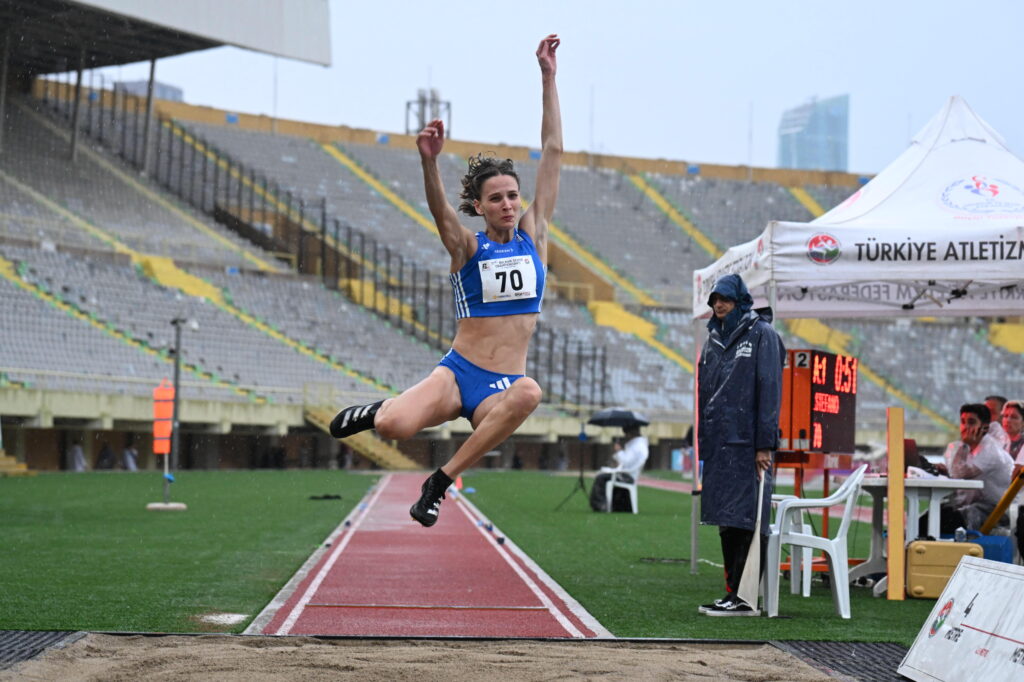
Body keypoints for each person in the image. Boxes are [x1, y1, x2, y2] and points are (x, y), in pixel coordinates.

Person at [328, 34, 563, 528]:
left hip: (502, 386)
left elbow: (553, 150)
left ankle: (438, 482)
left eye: (512, 195)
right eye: (496, 198)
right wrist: (429, 161)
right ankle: (377, 411)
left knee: (529, 392)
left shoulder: (534, 237)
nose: (508, 204)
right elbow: (440, 215)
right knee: (395, 426)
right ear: (479, 206)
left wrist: (548, 77)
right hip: (459, 373)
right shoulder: (468, 248)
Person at [696, 273, 785, 617]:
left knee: (748, 518)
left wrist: (765, 445)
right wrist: (704, 444)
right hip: (720, 447)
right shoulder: (712, 340)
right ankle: (732, 592)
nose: (719, 305)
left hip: (748, 447)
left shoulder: (762, 334)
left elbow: (770, 391)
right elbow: (705, 395)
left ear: (740, 300)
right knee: (726, 519)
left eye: (726, 299)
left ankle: (746, 596)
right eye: (715, 300)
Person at [924, 403, 1013, 534]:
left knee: (930, 523)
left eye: (971, 422)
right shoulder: (971, 449)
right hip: (972, 507)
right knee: (926, 519)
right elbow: (957, 476)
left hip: (993, 512)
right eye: (963, 422)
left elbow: (959, 474)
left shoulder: (991, 450)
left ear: (985, 427)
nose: (965, 427)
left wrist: (963, 446)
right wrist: (945, 472)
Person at [589, 423, 649, 512]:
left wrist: (619, 451)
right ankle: (611, 505)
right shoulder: (639, 444)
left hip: (627, 476)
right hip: (628, 474)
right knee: (605, 477)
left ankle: (600, 505)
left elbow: (625, 461)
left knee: (600, 478)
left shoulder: (637, 446)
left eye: (626, 434)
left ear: (630, 433)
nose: (626, 436)